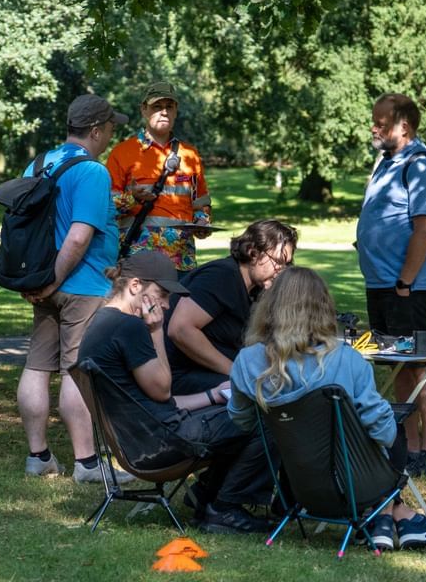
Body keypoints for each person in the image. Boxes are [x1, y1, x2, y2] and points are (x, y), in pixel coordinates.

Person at [228, 267, 426, 551]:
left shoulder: (247, 362)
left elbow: (243, 420)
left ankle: (387, 519)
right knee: (394, 428)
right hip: (356, 487)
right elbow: (383, 431)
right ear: (323, 309)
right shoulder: (346, 360)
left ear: (269, 308)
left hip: (299, 485)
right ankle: (391, 515)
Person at [77, 251, 274, 534]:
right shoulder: (130, 327)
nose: (167, 305)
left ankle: (208, 498)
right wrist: (157, 331)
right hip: (159, 443)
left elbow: (152, 401)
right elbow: (161, 390)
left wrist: (213, 395)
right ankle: (224, 508)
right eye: (163, 294)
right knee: (265, 418)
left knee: (236, 407)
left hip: (143, 437)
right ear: (135, 286)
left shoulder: (102, 321)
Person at [18, 93, 132, 485]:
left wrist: (37, 282)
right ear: (96, 130)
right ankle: (86, 463)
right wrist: (55, 278)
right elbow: (80, 236)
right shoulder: (92, 172)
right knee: (76, 370)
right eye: (111, 128)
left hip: (40, 284)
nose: (112, 136)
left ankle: (38, 457)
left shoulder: (39, 164)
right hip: (81, 285)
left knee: (37, 366)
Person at [356, 92, 426, 477]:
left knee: (420, 364)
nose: (373, 128)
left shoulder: (421, 166)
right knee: (396, 363)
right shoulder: (386, 162)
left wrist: (405, 282)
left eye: (380, 123)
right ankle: (407, 447)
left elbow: (424, 229)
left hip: (408, 287)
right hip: (382, 284)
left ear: (404, 126)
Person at [165, 219, 297, 395]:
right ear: (253, 252)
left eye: (287, 264)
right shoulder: (222, 275)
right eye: (278, 261)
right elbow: (180, 329)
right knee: (267, 391)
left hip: (207, 372)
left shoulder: (255, 289)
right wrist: (236, 372)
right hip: (180, 376)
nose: (281, 270)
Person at [106, 81, 212, 275]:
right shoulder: (121, 153)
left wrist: (202, 222)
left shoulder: (190, 155)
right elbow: (106, 207)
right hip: (138, 261)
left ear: (176, 111)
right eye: (157, 106)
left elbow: (200, 203)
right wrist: (132, 198)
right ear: (144, 110)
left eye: (169, 107)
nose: (164, 112)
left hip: (181, 261)